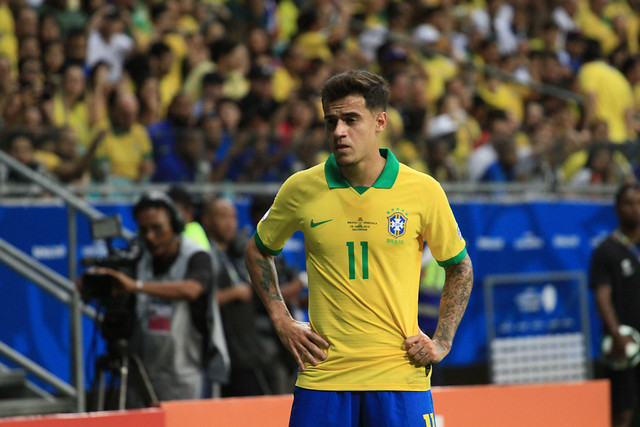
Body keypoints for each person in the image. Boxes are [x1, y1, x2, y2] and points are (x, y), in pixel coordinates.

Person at [244, 69, 474, 426]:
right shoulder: (301, 188)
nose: (339, 131)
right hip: (324, 377)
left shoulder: (422, 190)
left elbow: (459, 266)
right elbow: (258, 250)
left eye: (351, 120)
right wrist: (281, 318)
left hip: (401, 377)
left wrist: (442, 341)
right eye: (331, 121)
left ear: (380, 121)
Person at [82, 191, 215, 407]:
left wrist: (137, 286)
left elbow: (192, 289)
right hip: (141, 367)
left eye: (157, 228)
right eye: (143, 230)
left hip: (183, 372)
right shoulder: (139, 254)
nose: (150, 237)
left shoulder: (197, 255)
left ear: (176, 225)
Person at [590, 182, 640, 427]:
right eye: (628, 203)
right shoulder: (606, 251)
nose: (635, 208)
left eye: (639, 203)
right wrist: (617, 334)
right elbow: (602, 297)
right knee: (623, 410)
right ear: (617, 208)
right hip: (625, 343)